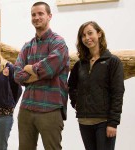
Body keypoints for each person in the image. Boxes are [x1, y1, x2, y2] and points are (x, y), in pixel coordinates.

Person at [14, 2, 69, 150]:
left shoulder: (59, 43)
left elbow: (50, 69)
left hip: (50, 108)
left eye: (40, 14)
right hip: (26, 108)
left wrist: (29, 68)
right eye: (33, 14)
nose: (36, 17)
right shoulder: (27, 46)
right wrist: (41, 73)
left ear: (49, 16)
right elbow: (17, 75)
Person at [68, 21, 125, 150]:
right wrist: (76, 102)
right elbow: (71, 86)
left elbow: (118, 92)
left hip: (104, 122)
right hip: (84, 121)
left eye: (90, 33)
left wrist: (113, 123)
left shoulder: (112, 62)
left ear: (99, 34)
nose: (87, 38)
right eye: (83, 35)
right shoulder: (80, 64)